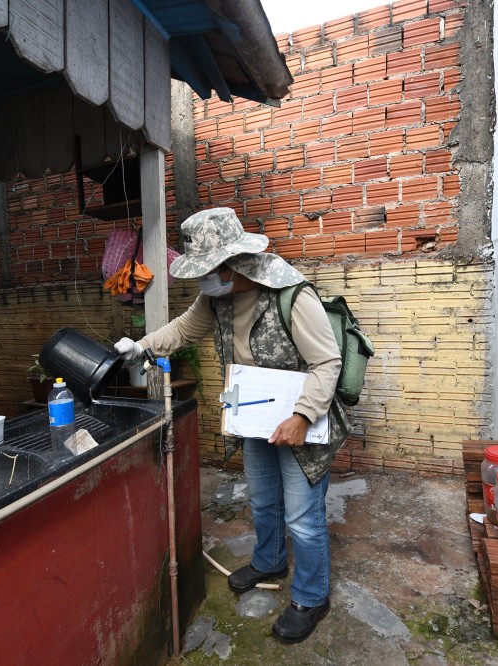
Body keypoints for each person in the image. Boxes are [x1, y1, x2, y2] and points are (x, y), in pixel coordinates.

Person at [114, 207, 350, 643]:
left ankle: (311, 597)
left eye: (208, 271)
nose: (204, 280)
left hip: (301, 418)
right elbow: (184, 329)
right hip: (255, 415)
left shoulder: (292, 294)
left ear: (234, 263)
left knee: (303, 517)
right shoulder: (217, 296)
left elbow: (326, 362)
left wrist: (301, 417)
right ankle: (269, 560)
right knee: (262, 499)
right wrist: (142, 346)